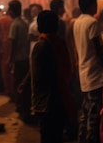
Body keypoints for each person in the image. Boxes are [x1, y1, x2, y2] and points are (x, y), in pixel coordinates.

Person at [30, 10, 74, 143]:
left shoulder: (41, 46)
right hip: (61, 97)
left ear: (39, 27)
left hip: (46, 102)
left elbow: (38, 77)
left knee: (48, 137)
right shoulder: (60, 42)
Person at [73, 0, 103, 143]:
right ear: (92, 5)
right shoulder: (92, 23)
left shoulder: (77, 22)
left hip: (84, 73)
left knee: (86, 112)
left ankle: (82, 138)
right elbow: (98, 48)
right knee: (95, 116)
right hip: (95, 74)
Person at [8, 0, 31, 122]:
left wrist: (10, 59)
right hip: (26, 59)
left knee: (18, 85)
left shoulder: (15, 24)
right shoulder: (25, 23)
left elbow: (13, 43)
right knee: (25, 86)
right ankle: (25, 109)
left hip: (18, 59)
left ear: (11, 11)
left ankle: (22, 109)